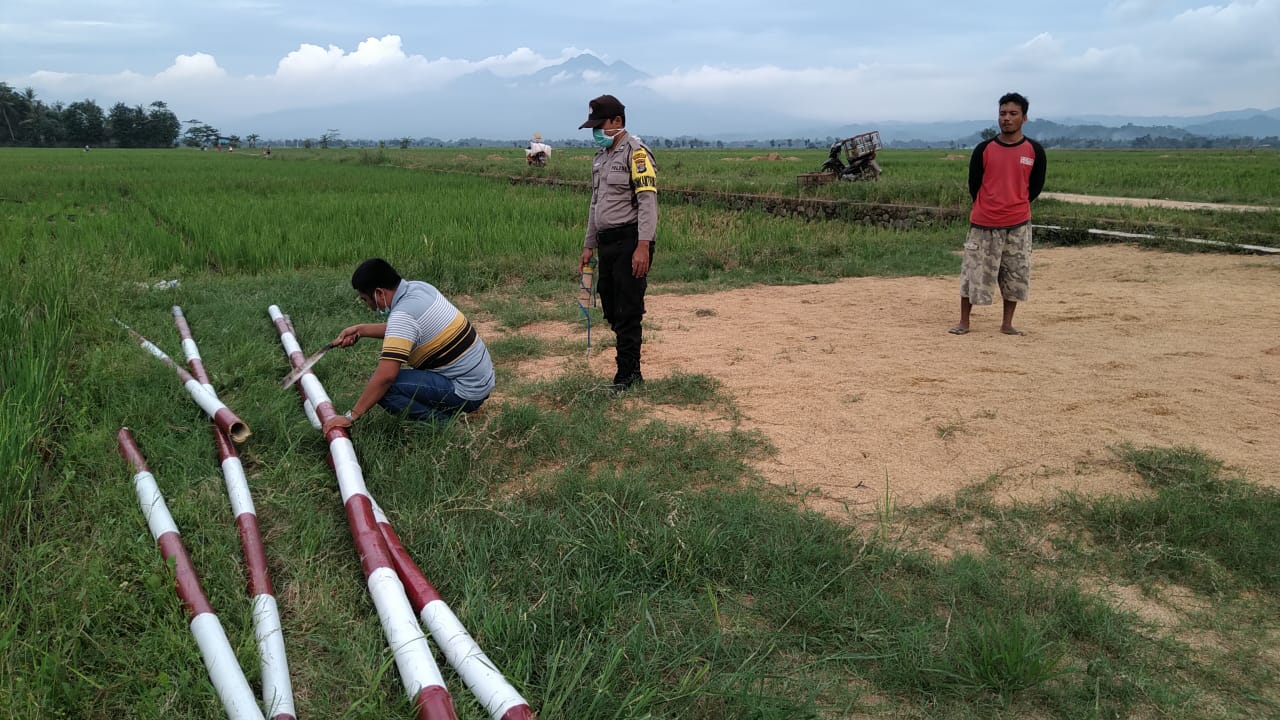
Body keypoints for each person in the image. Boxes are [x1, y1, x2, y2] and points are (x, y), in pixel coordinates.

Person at [320, 258, 495, 434]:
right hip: (482, 381)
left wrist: (351, 416)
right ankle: (452, 409)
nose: (369, 306)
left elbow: (385, 377)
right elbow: (407, 330)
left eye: (366, 300)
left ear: (379, 293)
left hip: (466, 390)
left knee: (386, 388)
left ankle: (444, 425)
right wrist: (361, 330)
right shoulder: (419, 288)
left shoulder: (403, 316)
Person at [577, 94, 658, 391]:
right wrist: (589, 245)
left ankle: (628, 374)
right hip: (607, 242)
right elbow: (595, 204)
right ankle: (627, 366)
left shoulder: (635, 154)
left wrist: (643, 245)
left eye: (600, 125)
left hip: (631, 240)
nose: (596, 132)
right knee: (610, 305)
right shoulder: (601, 157)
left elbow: (647, 202)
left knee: (628, 308)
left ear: (617, 122)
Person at [950, 92, 1047, 336]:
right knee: (973, 273)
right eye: (1002, 113)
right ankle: (964, 321)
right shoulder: (984, 149)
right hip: (983, 223)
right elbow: (975, 184)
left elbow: (1034, 186)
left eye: (1013, 114)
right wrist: (988, 205)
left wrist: (1015, 204)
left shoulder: (1034, 151)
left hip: (1018, 224)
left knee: (1015, 274)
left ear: (1024, 118)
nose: (1006, 118)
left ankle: (1007, 324)